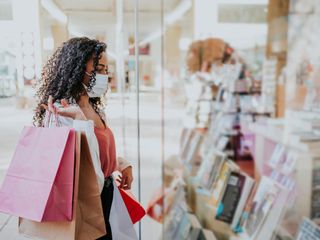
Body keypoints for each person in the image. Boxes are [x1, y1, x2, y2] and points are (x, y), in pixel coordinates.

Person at [33, 37, 134, 239]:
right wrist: (79, 120)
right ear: (77, 69)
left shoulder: (96, 110)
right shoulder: (60, 113)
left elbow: (99, 151)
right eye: (98, 69)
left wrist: (122, 164)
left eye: (106, 70)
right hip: (82, 203)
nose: (104, 76)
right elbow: (88, 175)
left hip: (105, 195)